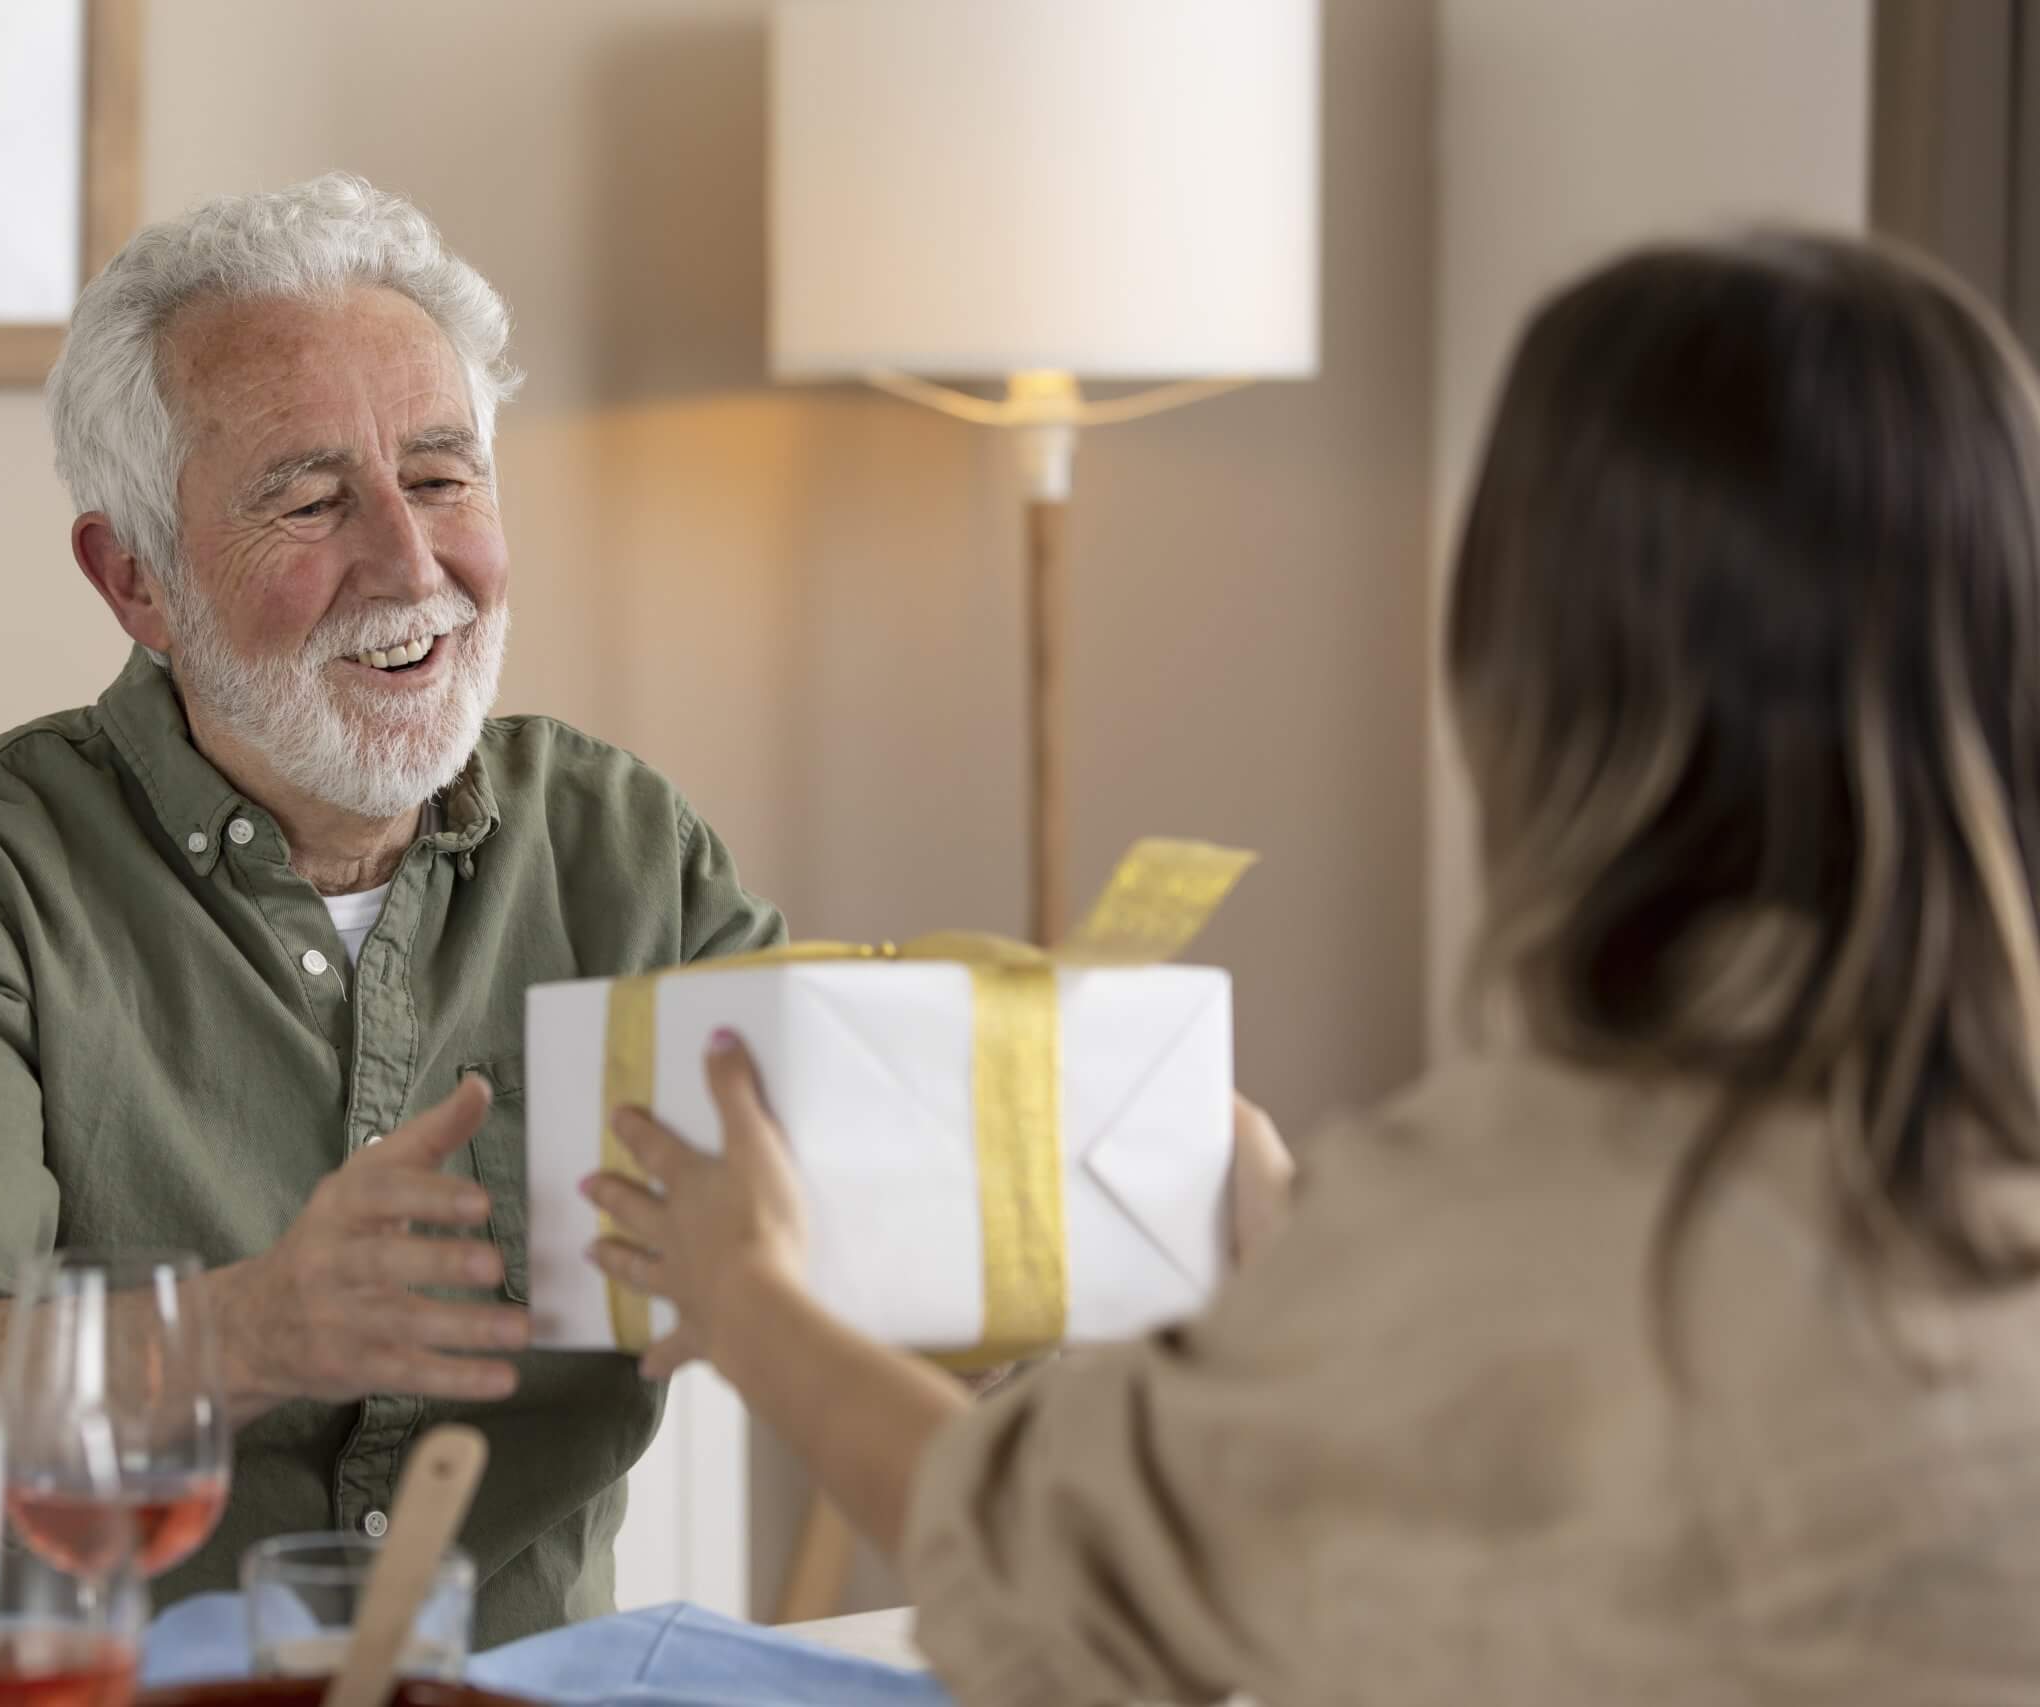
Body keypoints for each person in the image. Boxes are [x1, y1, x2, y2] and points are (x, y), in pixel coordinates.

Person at [588, 232, 2040, 1705]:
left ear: (1526, 680)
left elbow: (1035, 1572)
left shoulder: (1514, 1225)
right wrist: (1315, 1301)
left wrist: (750, 1296)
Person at [0, 171, 783, 1704]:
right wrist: (251, 1332)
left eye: (443, 479)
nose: (408, 562)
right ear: (136, 580)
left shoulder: (626, 850)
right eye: (311, 501)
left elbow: (873, 1237)